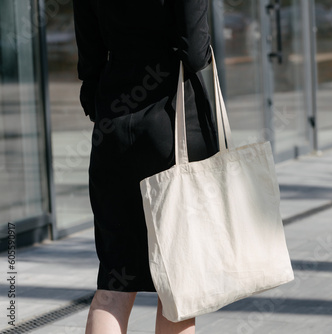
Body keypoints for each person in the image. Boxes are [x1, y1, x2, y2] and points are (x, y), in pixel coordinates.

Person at [73, 0, 218, 333]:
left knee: (113, 285)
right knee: (178, 287)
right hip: (172, 124)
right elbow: (195, 53)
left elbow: (90, 60)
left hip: (114, 126)